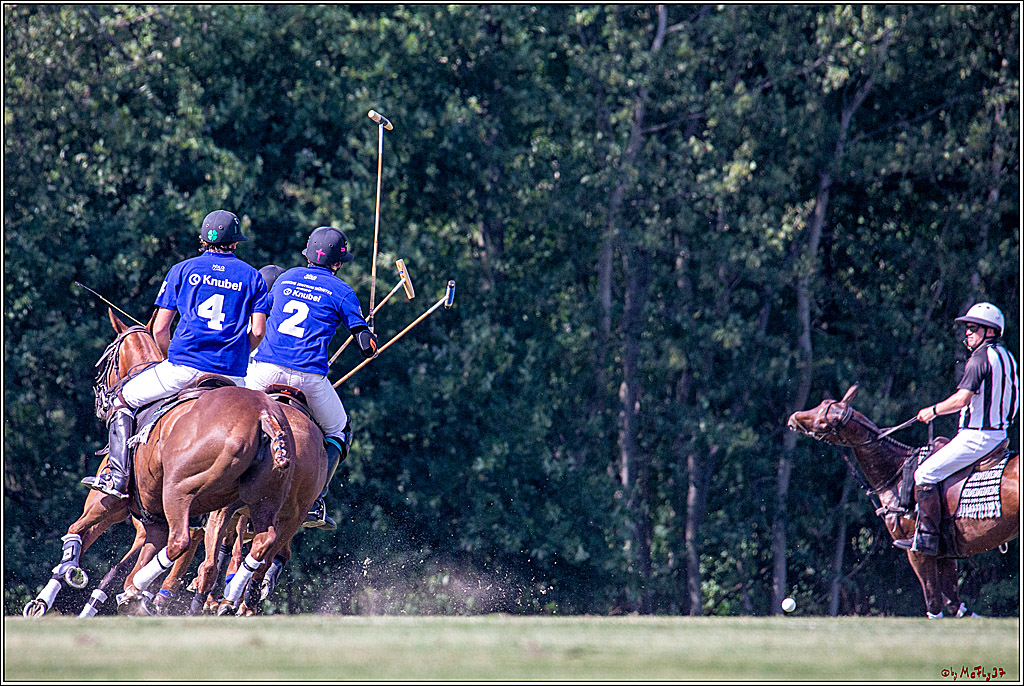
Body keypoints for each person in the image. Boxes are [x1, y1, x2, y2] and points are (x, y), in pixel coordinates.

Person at [83, 210, 271, 498]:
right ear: (235, 243)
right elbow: (257, 331)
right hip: (232, 376)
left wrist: (168, 357)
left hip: (183, 368)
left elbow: (160, 329)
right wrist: (237, 354)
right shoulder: (253, 277)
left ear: (203, 240)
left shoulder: (182, 270)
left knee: (121, 398)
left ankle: (117, 478)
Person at [245, 226, 378, 530]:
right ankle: (315, 501)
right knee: (340, 430)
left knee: (226, 409)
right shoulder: (342, 291)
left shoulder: (285, 278)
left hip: (265, 370)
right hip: (308, 379)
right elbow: (366, 348)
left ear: (308, 254)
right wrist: (370, 335)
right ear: (338, 263)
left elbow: (262, 315)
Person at [894, 302, 1019, 555]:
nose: (968, 333)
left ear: (990, 331)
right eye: (968, 328)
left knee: (924, 474)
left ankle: (927, 537)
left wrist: (933, 410)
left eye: (974, 328)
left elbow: (962, 399)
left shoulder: (979, 358)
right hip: (1000, 435)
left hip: (977, 437)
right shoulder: (1008, 358)